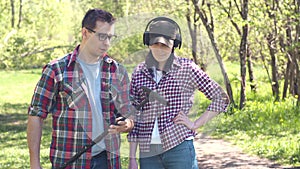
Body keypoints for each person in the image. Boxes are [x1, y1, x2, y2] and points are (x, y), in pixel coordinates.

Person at [27, 8, 134, 169]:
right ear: (85, 33)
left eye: (110, 37)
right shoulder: (57, 69)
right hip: (70, 160)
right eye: (102, 36)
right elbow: (36, 115)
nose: (107, 43)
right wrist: (34, 162)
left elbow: (129, 113)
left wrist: (128, 124)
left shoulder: (117, 71)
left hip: (108, 160)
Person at [127, 17, 230, 169]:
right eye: (155, 44)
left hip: (179, 147)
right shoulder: (139, 72)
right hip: (148, 152)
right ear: (148, 42)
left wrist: (194, 124)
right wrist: (131, 158)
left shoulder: (187, 68)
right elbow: (135, 114)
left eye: (165, 45)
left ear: (174, 45)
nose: (160, 49)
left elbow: (221, 98)